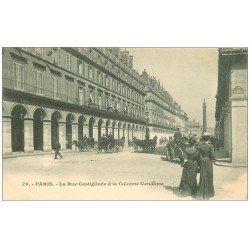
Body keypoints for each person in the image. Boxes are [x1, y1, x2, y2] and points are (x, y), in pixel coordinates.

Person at [196, 132, 215, 200]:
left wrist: (200, 159)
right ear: (209, 138)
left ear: (203, 138)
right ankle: (209, 192)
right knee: (209, 176)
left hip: (202, 161)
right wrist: (213, 158)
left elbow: (197, 154)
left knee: (202, 175)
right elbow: (213, 156)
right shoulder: (210, 146)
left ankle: (201, 192)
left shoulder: (200, 145)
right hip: (208, 161)